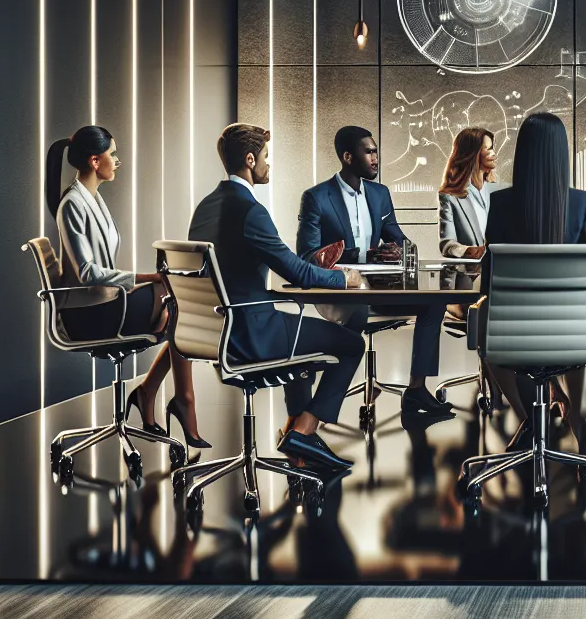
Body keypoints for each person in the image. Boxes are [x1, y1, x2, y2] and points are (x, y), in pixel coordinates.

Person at [192, 123, 366, 476]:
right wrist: (341, 278)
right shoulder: (250, 211)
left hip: (214, 332)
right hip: (253, 333)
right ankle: (304, 432)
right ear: (250, 159)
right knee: (351, 344)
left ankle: (298, 436)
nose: (269, 166)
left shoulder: (204, 208)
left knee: (304, 345)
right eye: (266, 159)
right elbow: (296, 273)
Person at [47, 125, 209, 448]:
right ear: (95, 160)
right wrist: (147, 279)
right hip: (88, 314)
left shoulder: (93, 198)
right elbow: (88, 273)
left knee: (176, 306)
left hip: (106, 302)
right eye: (113, 154)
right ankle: (172, 398)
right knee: (174, 304)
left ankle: (154, 394)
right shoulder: (72, 205)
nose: (117, 161)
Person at [297, 125, 452, 422]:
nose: (375, 158)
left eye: (376, 151)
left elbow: (398, 237)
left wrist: (403, 248)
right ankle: (318, 414)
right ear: (347, 157)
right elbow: (307, 256)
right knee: (356, 314)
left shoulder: (380, 194)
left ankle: (416, 389)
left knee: (434, 302)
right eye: (368, 152)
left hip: (378, 290)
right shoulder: (317, 197)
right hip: (340, 292)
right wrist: (363, 256)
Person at [482, 112, 586, 452]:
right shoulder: (579, 202)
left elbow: (489, 276)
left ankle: (528, 419)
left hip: (512, 336)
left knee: (488, 335)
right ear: (562, 154)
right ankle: (574, 414)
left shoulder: (501, 202)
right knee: (581, 320)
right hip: (571, 336)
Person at [438, 126, 497, 260]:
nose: (494, 154)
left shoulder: (498, 192)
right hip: (469, 276)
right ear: (473, 154)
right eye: (489, 149)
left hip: (501, 273)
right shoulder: (450, 197)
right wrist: (468, 250)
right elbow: (447, 244)